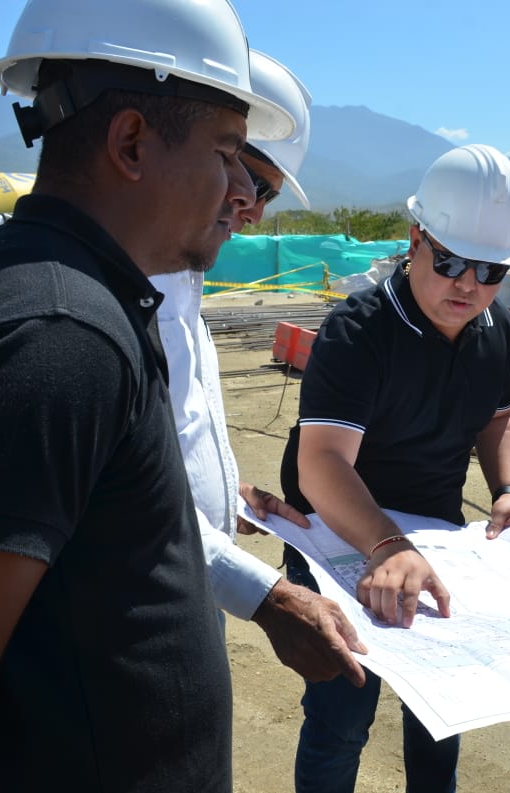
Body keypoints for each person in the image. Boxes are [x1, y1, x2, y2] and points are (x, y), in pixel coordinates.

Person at [0, 1, 295, 793]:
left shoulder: (83, 300)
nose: (240, 187)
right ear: (132, 142)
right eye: (228, 153)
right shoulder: (57, 334)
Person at [278, 143, 510, 793]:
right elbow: (322, 462)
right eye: (449, 260)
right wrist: (387, 547)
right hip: (337, 542)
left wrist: (507, 489)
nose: (467, 285)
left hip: (433, 543)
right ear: (415, 238)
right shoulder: (359, 333)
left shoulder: (494, 331)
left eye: (490, 270)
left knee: (439, 717)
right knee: (340, 720)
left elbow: (499, 415)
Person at [153, 49, 364, 688]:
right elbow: (114, 504)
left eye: (265, 192)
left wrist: (224, 496)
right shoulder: (110, 309)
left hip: (183, 601)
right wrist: (269, 595)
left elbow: (161, 451)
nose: (253, 207)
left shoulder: (180, 285)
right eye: (248, 177)